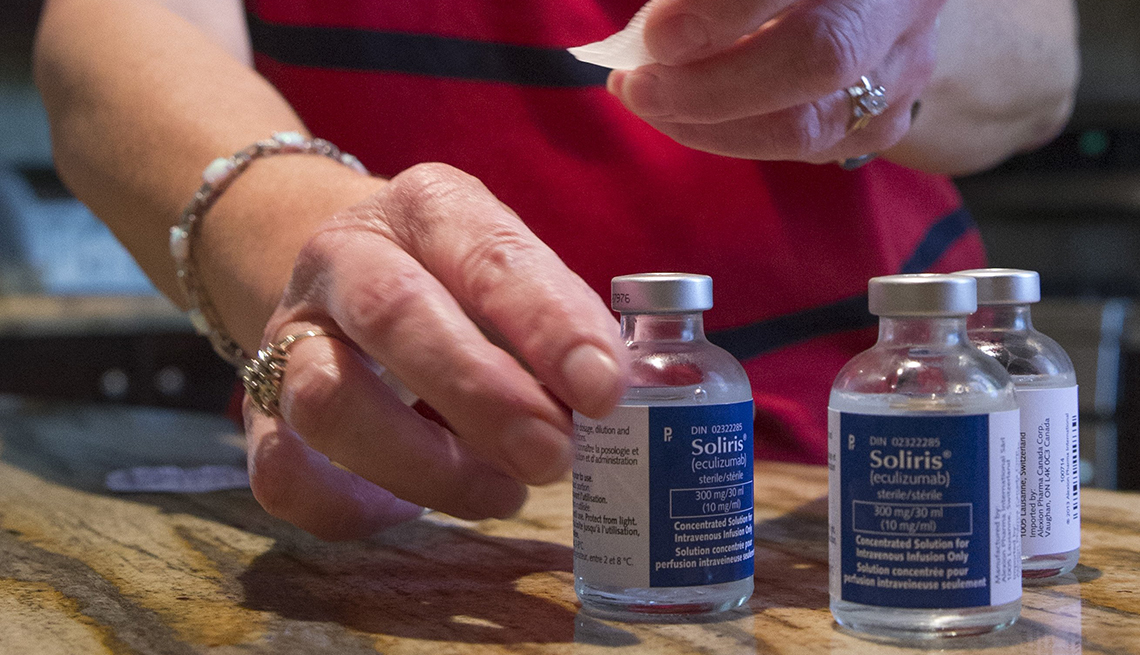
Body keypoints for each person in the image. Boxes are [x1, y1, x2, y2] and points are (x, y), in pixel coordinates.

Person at [33, 0, 1079, 540]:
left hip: (886, 486)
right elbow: (110, 36)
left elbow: (1044, 61)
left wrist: (883, 38)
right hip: (394, 485)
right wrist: (298, 229)